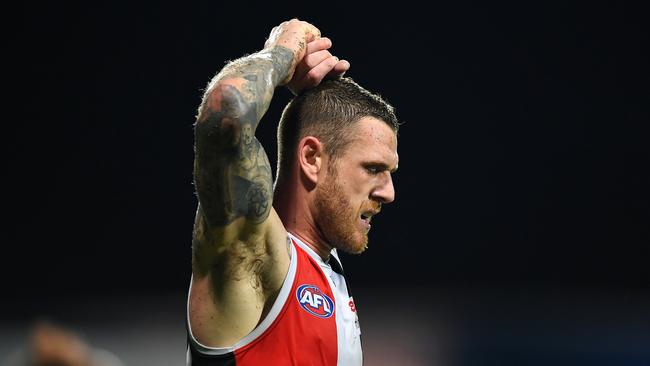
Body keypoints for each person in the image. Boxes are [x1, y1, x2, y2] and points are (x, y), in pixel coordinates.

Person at [187, 19, 399, 365]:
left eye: (390, 173)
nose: (388, 192)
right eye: (373, 169)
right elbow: (225, 113)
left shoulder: (327, 272)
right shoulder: (254, 252)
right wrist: (282, 52)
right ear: (312, 158)